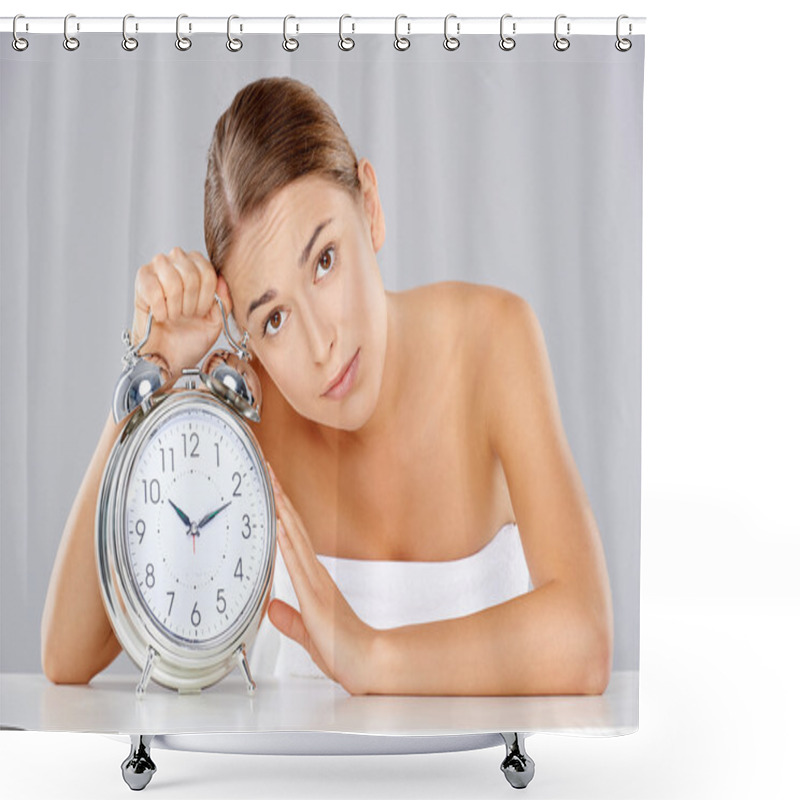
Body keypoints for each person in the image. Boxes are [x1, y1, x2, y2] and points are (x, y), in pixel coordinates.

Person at [41, 76, 613, 696]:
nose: (321, 347)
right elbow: (68, 656)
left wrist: (371, 658)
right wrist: (147, 376)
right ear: (245, 334)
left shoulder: (493, 343)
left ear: (369, 206)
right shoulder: (247, 421)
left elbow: (584, 640)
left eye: (325, 261)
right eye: (274, 319)